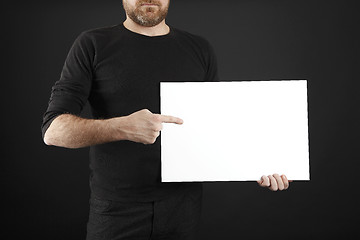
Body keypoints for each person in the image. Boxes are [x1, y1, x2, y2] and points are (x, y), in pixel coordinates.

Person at [41, 0, 292, 239]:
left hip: (184, 210)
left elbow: (214, 130)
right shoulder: (92, 44)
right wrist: (122, 127)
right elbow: (53, 131)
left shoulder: (199, 49)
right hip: (116, 211)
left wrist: (263, 162)